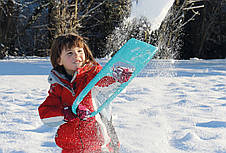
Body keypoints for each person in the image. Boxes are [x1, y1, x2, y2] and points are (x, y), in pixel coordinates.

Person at [38, 33, 132, 153]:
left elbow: (106, 84)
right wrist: (67, 112)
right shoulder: (58, 87)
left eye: (79, 51)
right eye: (70, 53)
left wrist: (117, 78)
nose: (76, 55)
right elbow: (46, 114)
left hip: (100, 145)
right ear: (59, 60)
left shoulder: (93, 74)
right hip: (70, 148)